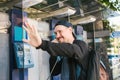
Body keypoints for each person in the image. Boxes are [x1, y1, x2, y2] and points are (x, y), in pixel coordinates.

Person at [23, 20, 90, 80]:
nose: (57, 36)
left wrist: (42, 44)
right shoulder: (64, 54)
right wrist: (54, 54)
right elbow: (55, 71)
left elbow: (72, 50)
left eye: (60, 31)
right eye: (55, 33)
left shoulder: (81, 45)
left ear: (70, 30)